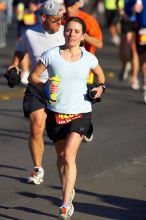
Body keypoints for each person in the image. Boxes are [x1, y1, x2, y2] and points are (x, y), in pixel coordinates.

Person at [29, 16, 106, 219]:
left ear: (83, 36)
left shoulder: (88, 57)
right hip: (55, 112)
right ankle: (67, 189)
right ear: (64, 32)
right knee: (61, 157)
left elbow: (101, 76)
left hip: (81, 112)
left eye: (76, 31)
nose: (71, 34)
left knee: (69, 156)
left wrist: (100, 89)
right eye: (69, 30)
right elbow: (33, 77)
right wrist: (44, 86)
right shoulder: (51, 55)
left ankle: (65, 204)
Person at [7, 0, 65, 185]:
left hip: (61, 87)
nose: (59, 23)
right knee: (36, 126)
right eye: (55, 20)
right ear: (44, 17)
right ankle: (38, 168)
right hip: (37, 84)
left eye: (61, 19)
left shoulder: (67, 33)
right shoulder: (30, 33)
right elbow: (20, 50)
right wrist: (14, 65)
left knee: (61, 133)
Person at [63, 0, 103, 142]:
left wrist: (82, 37)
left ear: (78, 4)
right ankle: (69, 127)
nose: (68, 10)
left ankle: (86, 125)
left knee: (83, 99)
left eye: (72, 6)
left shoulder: (88, 20)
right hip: (66, 65)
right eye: (67, 6)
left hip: (86, 69)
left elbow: (99, 43)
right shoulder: (62, 18)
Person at [118, 0, 140, 90]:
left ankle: (134, 78)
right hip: (126, 21)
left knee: (134, 49)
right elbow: (119, 5)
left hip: (138, 23)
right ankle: (125, 65)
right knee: (124, 51)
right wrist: (122, 13)